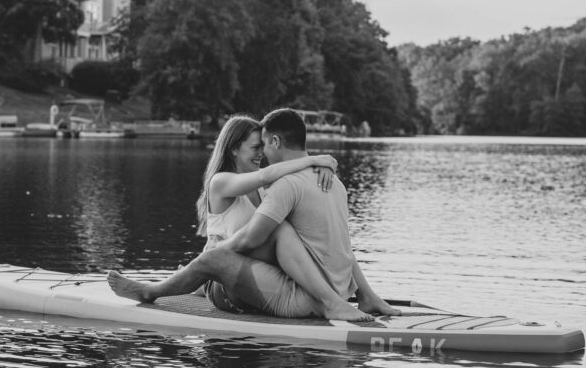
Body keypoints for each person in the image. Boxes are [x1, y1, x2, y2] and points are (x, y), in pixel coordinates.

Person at [108, 111, 395, 321]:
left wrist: (324, 167)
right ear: (234, 148)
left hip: (250, 270)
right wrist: (313, 160)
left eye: (264, 146)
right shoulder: (222, 182)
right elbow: (268, 177)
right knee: (258, 239)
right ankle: (153, 291)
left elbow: (319, 231)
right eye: (255, 148)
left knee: (287, 229)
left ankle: (347, 298)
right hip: (219, 274)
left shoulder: (270, 187)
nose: (262, 153)